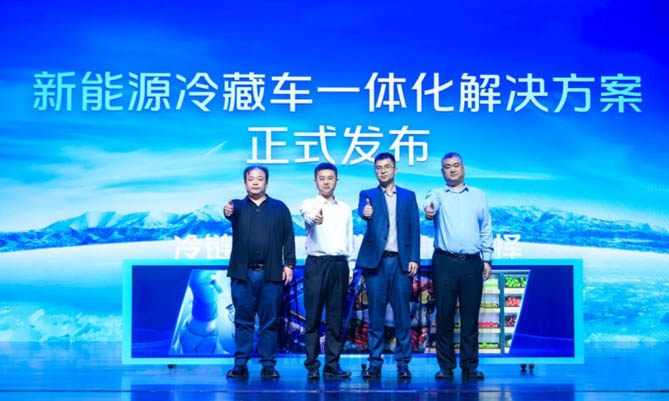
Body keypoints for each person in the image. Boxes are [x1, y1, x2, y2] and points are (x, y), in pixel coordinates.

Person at [423, 152, 493, 381]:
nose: (452, 169)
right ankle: (446, 366)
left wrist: (487, 259)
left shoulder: (478, 196)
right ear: (442, 171)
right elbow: (429, 203)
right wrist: (429, 209)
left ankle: (470, 366)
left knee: (470, 317)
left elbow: (486, 228)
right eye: (447, 167)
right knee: (444, 315)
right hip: (445, 261)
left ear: (463, 168)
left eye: (456, 165)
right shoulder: (437, 194)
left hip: (472, 262)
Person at [223, 165, 296, 380]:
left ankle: (268, 365)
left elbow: (289, 237)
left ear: (267, 182)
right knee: (242, 321)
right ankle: (240, 364)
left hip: (271, 274)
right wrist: (227, 211)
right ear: (245, 183)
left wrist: (289, 264)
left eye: (260, 178)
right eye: (251, 179)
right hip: (242, 274)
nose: (255, 182)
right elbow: (228, 212)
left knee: (269, 321)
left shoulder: (279, 208)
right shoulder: (237, 207)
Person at [356, 152, 420, 379]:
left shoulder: (408, 196)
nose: (382, 171)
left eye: (386, 167)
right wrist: (364, 213)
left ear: (395, 169)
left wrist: (414, 258)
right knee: (375, 316)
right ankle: (375, 362)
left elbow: (414, 228)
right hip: (376, 263)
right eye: (378, 167)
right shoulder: (368, 195)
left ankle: (403, 363)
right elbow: (362, 211)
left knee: (403, 316)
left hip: (401, 262)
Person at [300, 163, 356, 380]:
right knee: (313, 317)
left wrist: (350, 269)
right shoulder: (309, 204)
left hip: (340, 265)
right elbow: (309, 216)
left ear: (336, 181)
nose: (326, 182)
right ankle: (312, 365)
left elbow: (349, 240)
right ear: (315, 181)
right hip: (317, 264)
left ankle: (332, 365)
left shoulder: (345, 209)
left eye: (330, 178)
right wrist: (316, 218)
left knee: (336, 318)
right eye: (321, 178)